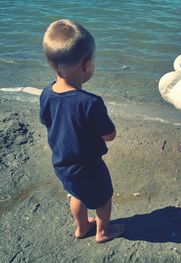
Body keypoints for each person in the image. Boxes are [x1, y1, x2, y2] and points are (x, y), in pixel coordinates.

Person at [39, 19, 124, 243]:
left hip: (61, 163)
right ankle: (103, 231)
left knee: (76, 194)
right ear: (87, 66)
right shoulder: (90, 103)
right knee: (103, 198)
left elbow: (46, 120)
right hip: (88, 165)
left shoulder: (46, 94)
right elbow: (109, 135)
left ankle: (81, 227)